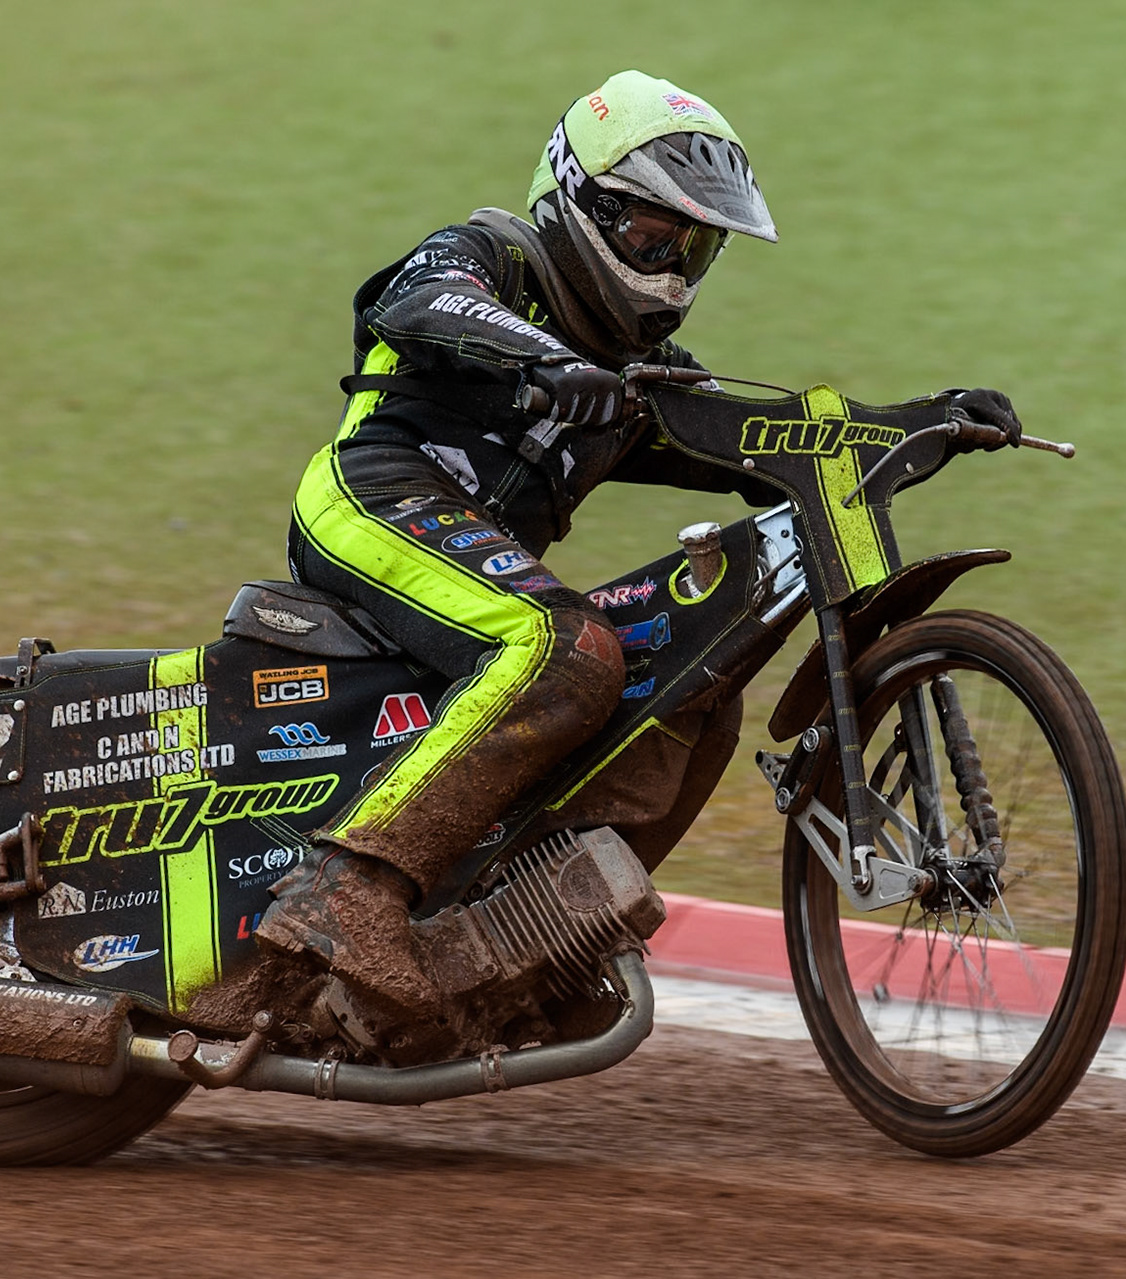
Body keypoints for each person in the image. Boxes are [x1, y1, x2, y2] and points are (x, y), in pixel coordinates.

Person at [256, 70, 1020, 1017]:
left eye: (693, 250)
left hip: (476, 558)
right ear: (579, 198)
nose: (672, 270)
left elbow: (770, 436)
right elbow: (419, 305)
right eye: (654, 236)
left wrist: (922, 422)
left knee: (698, 688)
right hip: (368, 503)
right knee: (564, 650)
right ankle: (346, 894)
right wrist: (550, 363)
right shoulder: (492, 254)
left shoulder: (641, 377)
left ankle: (533, 935)